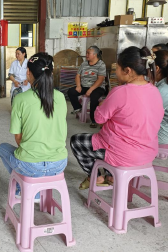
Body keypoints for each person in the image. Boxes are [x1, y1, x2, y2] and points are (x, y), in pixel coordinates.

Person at [70, 46, 164, 190]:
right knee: (108, 139)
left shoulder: (120, 92)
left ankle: (96, 177)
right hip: (148, 153)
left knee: (77, 141)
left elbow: (98, 118)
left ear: (127, 71)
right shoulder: (155, 90)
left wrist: (103, 102)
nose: (115, 72)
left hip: (124, 153)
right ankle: (110, 175)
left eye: (117, 69)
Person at [0, 53, 67, 202]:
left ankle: (22, 188)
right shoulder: (61, 97)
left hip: (31, 166)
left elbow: (18, 139)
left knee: (3, 148)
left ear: (28, 72)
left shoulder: (20, 99)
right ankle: (34, 188)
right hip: (59, 164)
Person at [67, 46, 106, 128]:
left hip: (97, 87)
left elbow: (100, 79)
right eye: (86, 53)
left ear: (95, 54)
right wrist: (78, 85)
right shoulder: (84, 64)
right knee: (71, 91)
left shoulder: (101, 64)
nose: (86, 55)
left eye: (89, 53)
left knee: (94, 97)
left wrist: (91, 89)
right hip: (84, 86)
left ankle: (94, 119)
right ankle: (78, 109)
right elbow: (78, 75)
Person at [154, 50, 168, 144]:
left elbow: (145, 115)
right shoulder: (163, 84)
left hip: (161, 136)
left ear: (157, 68)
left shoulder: (162, 89)